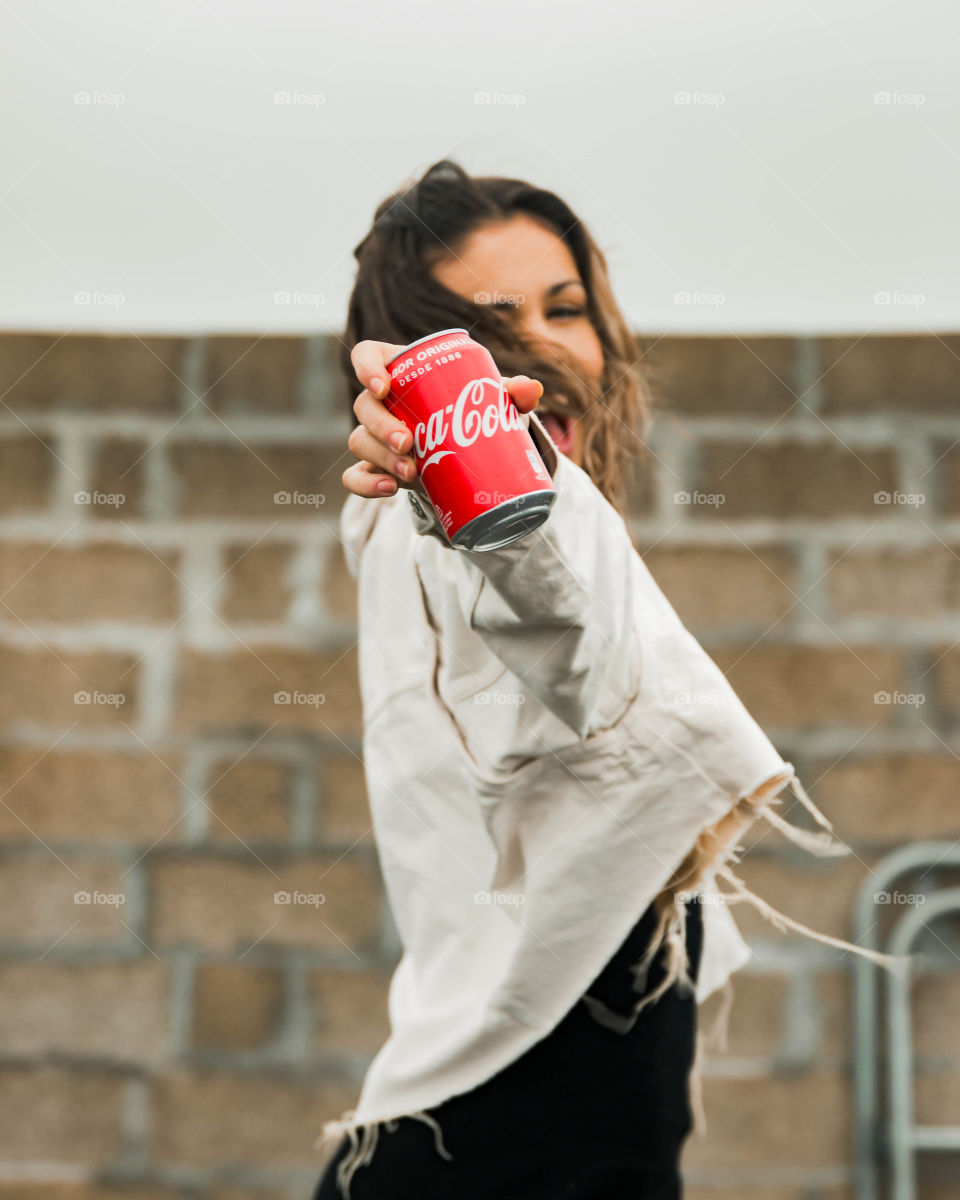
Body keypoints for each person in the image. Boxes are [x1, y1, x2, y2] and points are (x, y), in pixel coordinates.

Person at [311, 160, 904, 1199]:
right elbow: (557, 627)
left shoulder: (418, 543)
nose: (543, 346)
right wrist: (471, 496)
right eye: (491, 320)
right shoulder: (437, 546)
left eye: (567, 307)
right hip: (492, 1164)